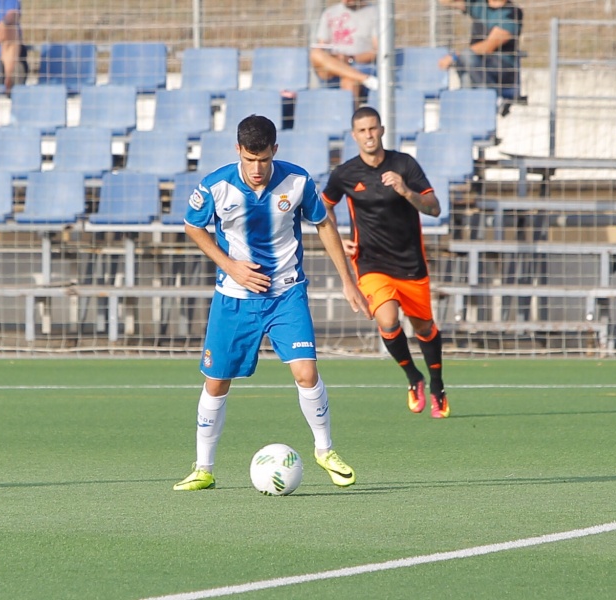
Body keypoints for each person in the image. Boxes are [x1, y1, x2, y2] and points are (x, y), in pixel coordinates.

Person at [174, 114, 372, 492]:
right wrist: (231, 266)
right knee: (217, 382)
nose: (257, 168)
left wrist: (347, 281)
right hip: (234, 299)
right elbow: (192, 226)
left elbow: (324, 224)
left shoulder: (297, 181)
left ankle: (325, 450)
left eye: (264, 159)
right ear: (238, 152)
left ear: (274, 151)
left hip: (286, 293)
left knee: (306, 373)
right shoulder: (216, 186)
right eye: (250, 160)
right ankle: (203, 468)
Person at [322, 106, 450, 419]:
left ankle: (436, 384)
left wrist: (406, 191)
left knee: (424, 328)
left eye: (373, 129)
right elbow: (323, 208)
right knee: (388, 321)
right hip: (370, 264)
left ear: (381, 130)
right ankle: (412, 377)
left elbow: (434, 208)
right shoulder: (344, 174)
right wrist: (340, 239)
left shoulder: (404, 164)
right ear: (354, 136)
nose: (368, 135)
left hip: (410, 264)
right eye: (362, 130)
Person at [437, 0, 523, 98]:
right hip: (475, 65)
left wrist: (456, 55)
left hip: (501, 68)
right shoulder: (479, 4)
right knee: (465, 65)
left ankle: (488, 97)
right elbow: (446, 1)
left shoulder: (512, 12)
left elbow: (489, 46)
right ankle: (472, 104)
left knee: (466, 57)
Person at [310, 0, 379, 106]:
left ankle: (350, 120)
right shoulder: (329, 13)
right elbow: (322, 46)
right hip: (333, 67)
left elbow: (378, 51)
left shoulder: (375, 13)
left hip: (360, 65)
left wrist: (350, 58)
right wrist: (335, 57)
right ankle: (365, 79)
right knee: (316, 53)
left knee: (349, 81)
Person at [0, 0, 26, 93]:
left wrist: (3, 23)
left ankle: (9, 78)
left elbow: (13, 15)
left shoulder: (6, 2)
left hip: (2, 62)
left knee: (9, 28)